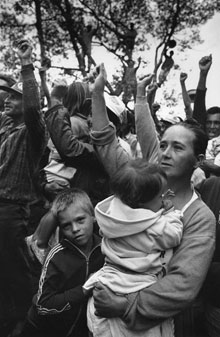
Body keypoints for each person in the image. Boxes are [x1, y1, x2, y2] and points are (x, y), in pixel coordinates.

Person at [89, 64, 215, 337]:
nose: (165, 152)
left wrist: (125, 304)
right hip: (103, 308)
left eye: (178, 147)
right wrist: (97, 94)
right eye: (164, 144)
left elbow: (183, 284)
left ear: (199, 161)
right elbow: (106, 143)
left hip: (155, 324)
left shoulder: (199, 217)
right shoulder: (141, 184)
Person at [83, 159, 183, 337]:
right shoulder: (154, 229)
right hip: (134, 287)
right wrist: (171, 213)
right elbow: (174, 234)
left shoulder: (111, 215)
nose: (163, 199)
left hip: (109, 281)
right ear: (140, 203)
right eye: (160, 197)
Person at [0, 39, 46, 337]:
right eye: (6, 96)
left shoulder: (33, 132)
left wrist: (26, 66)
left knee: (16, 268)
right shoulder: (4, 126)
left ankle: (30, 317)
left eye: (14, 97)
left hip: (11, 211)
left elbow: (32, 107)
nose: (7, 100)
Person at [21, 188, 104, 337]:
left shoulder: (104, 250)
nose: (75, 229)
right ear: (60, 228)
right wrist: (83, 290)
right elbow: (43, 304)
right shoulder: (56, 256)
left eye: (80, 220)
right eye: (66, 225)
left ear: (93, 217)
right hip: (42, 329)